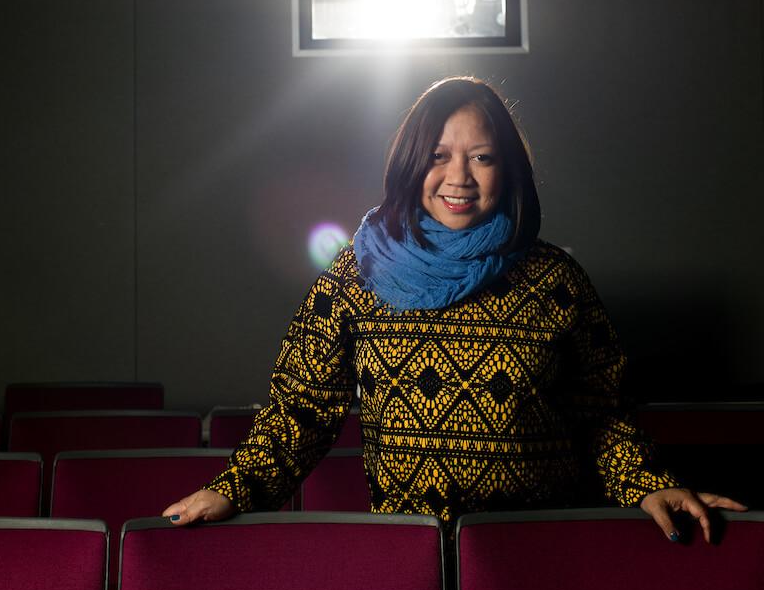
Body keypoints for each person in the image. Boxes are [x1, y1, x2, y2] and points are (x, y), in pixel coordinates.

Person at [163, 76, 744, 541]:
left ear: (508, 170)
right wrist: (234, 490)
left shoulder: (554, 278)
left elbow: (601, 414)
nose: (458, 178)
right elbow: (303, 409)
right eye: (439, 155)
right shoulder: (356, 275)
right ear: (412, 164)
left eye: (483, 158)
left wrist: (646, 483)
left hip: (540, 545)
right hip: (410, 551)